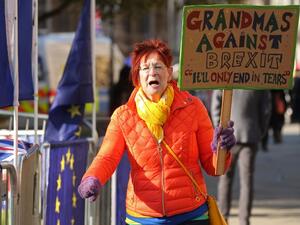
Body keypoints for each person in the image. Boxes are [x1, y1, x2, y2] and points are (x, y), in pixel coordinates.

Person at [78, 39, 236, 225]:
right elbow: (107, 157)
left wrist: (221, 148)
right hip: (143, 218)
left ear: (169, 74)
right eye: (145, 68)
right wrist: (92, 178)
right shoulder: (123, 116)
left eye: (158, 67)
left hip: (191, 216)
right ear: (137, 77)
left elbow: (214, 167)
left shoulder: (193, 107)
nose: (152, 72)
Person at [211, 90, 271, 225]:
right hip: (250, 133)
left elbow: (216, 105)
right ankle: (244, 220)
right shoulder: (258, 80)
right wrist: (260, 131)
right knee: (247, 181)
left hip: (227, 136)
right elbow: (266, 110)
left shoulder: (225, 76)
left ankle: (223, 217)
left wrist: (219, 130)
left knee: (225, 178)